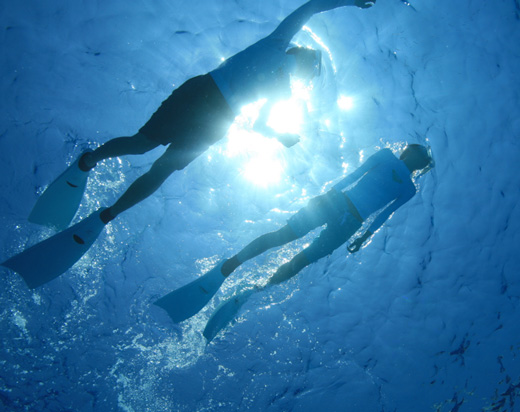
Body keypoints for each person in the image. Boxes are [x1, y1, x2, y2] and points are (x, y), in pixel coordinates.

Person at [2, 0, 376, 290]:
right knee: (143, 144)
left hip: (219, 123)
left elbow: (261, 122)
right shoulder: (279, 42)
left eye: (310, 76)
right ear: (304, 57)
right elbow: (310, 6)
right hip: (202, 92)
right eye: (310, 69)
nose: (306, 76)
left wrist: (280, 136)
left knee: (162, 171)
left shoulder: (284, 90)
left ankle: (109, 213)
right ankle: (90, 161)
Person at [153, 144, 434, 341]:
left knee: (300, 260)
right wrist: (332, 196)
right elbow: (357, 175)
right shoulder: (390, 161)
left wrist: (362, 236)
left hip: (347, 218)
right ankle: (231, 265)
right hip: (341, 206)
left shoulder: (408, 187)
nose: (415, 155)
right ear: (409, 152)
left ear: (417, 161)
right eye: (416, 151)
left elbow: (385, 213)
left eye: (419, 155)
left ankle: (256, 288)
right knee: (284, 237)